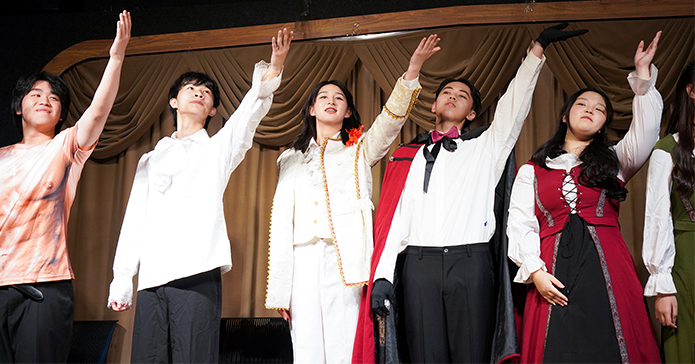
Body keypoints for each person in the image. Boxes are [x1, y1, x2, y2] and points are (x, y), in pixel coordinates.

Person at [355, 24, 588, 364]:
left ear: (472, 113)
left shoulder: (487, 147)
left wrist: (538, 48)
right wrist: (383, 276)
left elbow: (513, 105)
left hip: (471, 265)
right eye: (447, 92)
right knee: (423, 357)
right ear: (433, 105)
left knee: (473, 357)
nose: (452, 96)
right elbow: (393, 221)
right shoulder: (407, 156)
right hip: (418, 268)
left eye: (462, 96)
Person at [108, 28, 293, 363]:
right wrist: (122, 277)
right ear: (173, 101)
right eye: (191, 88)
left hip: (196, 273)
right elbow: (135, 219)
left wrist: (275, 66)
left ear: (211, 111)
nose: (199, 93)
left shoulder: (217, 149)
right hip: (151, 278)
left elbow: (248, 113)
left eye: (206, 92)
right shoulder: (150, 159)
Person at [266, 34, 441, 364]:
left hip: (343, 256)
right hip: (300, 259)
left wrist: (413, 69)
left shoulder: (359, 148)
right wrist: (281, 286)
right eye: (323, 96)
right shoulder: (288, 158)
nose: (331, 101)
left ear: (348, 112)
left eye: (339, 98)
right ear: (311, 109)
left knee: (345, 343)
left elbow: (391, 120)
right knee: (305, 347)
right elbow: (282, 222)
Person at [0, 11, 132, 363]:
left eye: (54, 98)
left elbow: (98, 112)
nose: (45, 99)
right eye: (35, 94)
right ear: (19, 108)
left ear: (61, 115)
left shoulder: (66, 147)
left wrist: (116, 57)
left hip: (45, 284)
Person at [507, 31, 663, 363]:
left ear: (604, 123)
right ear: (565, 115)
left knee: (611, 342)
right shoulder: (532, 170)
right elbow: (520, 224)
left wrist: (643, 74)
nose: (590, 110)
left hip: (609, 265)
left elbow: (648, 132)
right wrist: (535, 272)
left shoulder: (616, 161)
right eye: (582, 104)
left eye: (599, 109)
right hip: (550, 269)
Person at [643, 61, 695, 363]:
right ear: (691, 91)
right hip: (687, 261)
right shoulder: (667, 150)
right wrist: (663, 289)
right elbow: (657, 217)